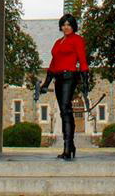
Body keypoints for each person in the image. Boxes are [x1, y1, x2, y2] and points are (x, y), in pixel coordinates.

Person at [38, 12, 89, 160]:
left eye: (69, 24)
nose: (66, 27)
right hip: (58, 78)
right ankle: (70, 145)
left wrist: (85, 81)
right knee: (63, 111)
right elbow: (53, 64)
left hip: (69, 77)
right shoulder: (58, 42)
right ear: (61, 26)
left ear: (73, 26)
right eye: (64, 24)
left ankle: (67, 147)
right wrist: (46, 84)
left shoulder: (77, 40)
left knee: (66, 109)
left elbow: (82, 60)